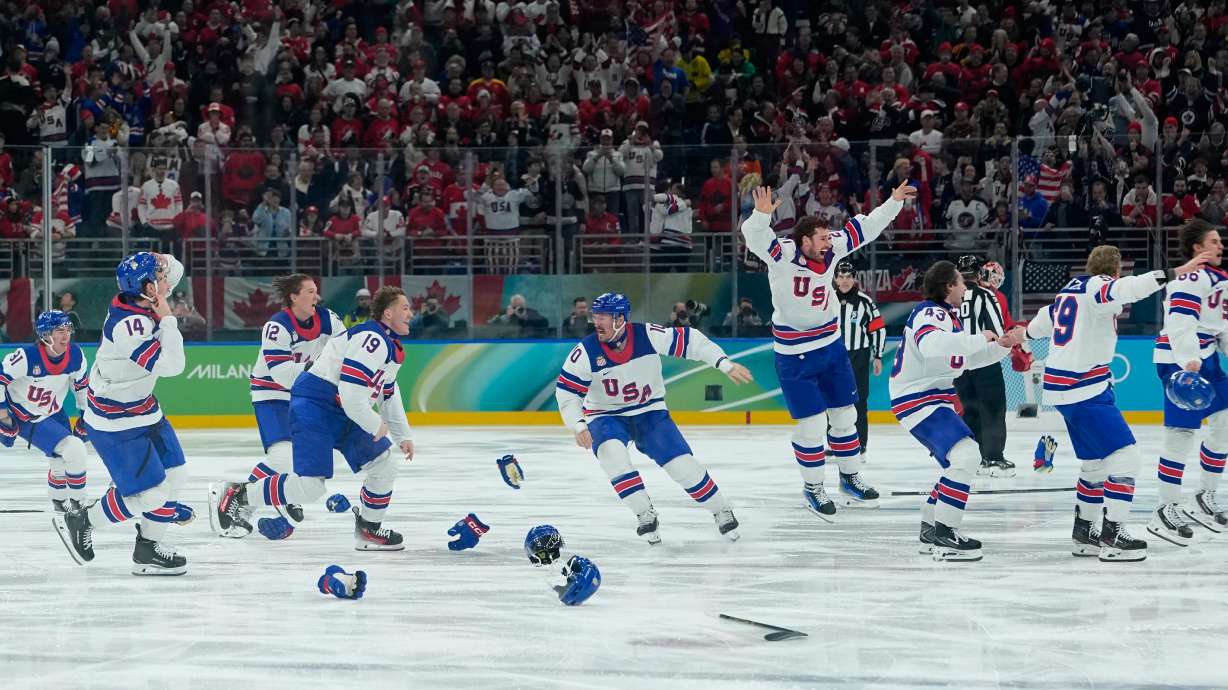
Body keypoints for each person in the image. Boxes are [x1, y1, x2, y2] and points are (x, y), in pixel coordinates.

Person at [1025, 244, 1211, 561]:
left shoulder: (1068, 292)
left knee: (1096, 464)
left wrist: (1019, 338)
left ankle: (1084, 533)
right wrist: (1177, 272)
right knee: (1127, 458)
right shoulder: (1100, 287)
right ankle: (1113, 536)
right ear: (1115, 272)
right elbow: (1132, 288)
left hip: (1068, 387)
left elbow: (1036, 326)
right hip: (1083, 387)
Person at [740, 182, 914, 520]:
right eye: (821, 239)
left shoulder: (831, 246)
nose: (828, 242)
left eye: (828, 238)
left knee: (845, 416)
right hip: (793, 354)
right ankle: (813, 487)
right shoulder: (784, 254)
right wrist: (760, 218)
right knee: (811, 425)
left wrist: (892, 203)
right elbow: (755, 238)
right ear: (804, 241)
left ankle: (850, 479)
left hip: (831, 346)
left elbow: (867, 227)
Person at [209, 286, 415, 549]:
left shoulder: (390, 346)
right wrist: (376, 425)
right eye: (405, 308)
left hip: (340, 408)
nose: (410, 313)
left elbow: (388, 391)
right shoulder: (371, 339)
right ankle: (239, 495)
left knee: (384, 464)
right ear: (388, 313)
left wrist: (403, 435)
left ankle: (369, 530)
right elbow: (351, 394)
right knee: (310, 487)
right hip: (315, 404)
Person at [554, 292, 752, 543]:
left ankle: (720, 509)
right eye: (596, 316)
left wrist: (723, 363)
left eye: (603, 316)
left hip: (649, 410)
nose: (597, 322)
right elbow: (567, 393)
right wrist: (578, 424)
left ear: (620, 319)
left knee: (682, 465)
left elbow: (691, 341)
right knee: (611, 455)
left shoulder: (647, 335)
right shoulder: (584, 352)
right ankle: (643, 512)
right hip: (606, 415)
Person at [52, 252, 192, 575]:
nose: (165, 277)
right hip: (115, 421)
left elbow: (178, 269)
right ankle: (82, 519)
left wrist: (157, 259)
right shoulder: (129, 325)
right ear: (146, 287)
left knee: (175, 477)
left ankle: (147, 549)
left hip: (143, 409)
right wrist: (169, 317)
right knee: (154, 494)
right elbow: (174, 366)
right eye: (157, 274)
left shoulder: (143, 299)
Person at [890, 261, 1025, 561]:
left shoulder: (948, 317)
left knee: (960, 461)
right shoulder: (931, 312)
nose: (966, 287)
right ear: (948, 286)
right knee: (966, 457)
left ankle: (931, 528)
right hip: (918, 398)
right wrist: (979, 338)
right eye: (961, 283)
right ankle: (945, 535)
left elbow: (965, 361)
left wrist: (1003, 345)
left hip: (930, 399)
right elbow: (931, 346)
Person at [215, 274, 345, 537]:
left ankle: (240, 498)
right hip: (271, 393)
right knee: (282, 458)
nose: (316, 297)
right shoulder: (276, 326)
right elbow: (281, 374)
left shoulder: (329, 319)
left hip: (305, 394)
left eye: (316, 291)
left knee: (296, 461)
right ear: (293, 297)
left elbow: (347, 350)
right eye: (309, 292)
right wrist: (321, 370)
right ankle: (242, 499)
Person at [1147, 219, 1228, 545]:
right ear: (1197, 248)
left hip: (1206, 358)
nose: (1221, 246)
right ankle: (1165, 508)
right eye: (1214, 241)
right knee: (1180, 434)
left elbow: (1219, 327)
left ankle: (1204, 496)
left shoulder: (1218, 279)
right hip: (1178, 361)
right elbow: (1180, 321)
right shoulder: (1190, 276)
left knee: (1224, 423)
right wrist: (1188, 360)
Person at [0, 310, 90, 513]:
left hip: (55, 412)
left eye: (68, 329)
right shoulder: (26, 356)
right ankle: (79, 507)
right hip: (27, 417)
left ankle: (60, 503)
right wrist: (3, 414)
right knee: (75, 450)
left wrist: (86, 416)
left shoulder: (76, 355)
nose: (66, 334)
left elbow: (81, 387)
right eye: (59, 330)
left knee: (60, 461)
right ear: (45, 334)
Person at [953, 255, 1013, 477]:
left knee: (970, 410)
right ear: (979, 274)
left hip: (959, 364)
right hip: (985, 361)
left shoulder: (949, 296)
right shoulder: (985, 294)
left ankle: (974, 459)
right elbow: (997, 330)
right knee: (993, 408)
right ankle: (994, 458)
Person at [833, 261, 886, 461]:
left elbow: (878, 329)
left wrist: (878, 355)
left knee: (859, 401)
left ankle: (860, 444)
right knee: (833, 399)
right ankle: (835, 443)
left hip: (859, 356)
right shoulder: (827, 300)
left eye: (848, 277)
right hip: (833, 356)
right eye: (841, 276)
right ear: (835, 278)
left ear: (854, 278)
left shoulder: (865, 302)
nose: (844, 281)